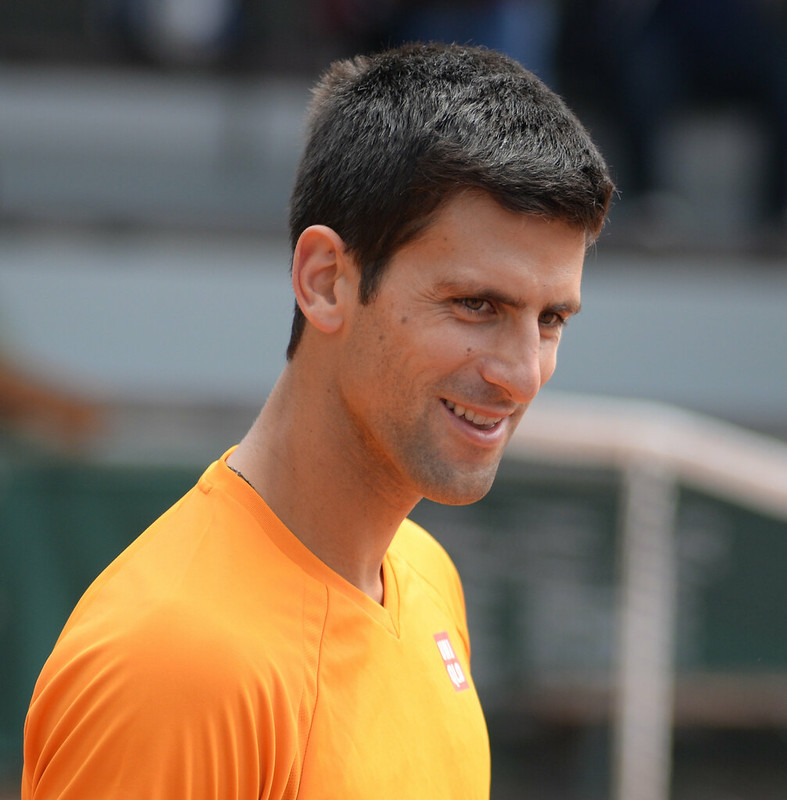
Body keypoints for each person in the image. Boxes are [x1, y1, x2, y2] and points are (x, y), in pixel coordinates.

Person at [21, 42, 613, 799]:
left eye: (551, 318)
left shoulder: (424, 576)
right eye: (476, 305)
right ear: (326, 280)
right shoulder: (173, 665)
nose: (523, 373)